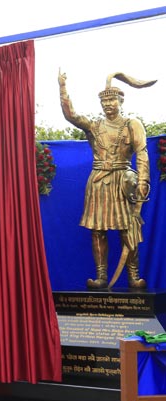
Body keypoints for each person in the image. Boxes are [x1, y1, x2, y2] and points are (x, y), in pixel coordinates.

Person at [59, 71, 154, 288]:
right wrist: (62, 88)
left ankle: (133, 276)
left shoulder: (132, 124)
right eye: (104, 101)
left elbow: (142, 153)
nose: (108, 104)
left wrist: (143, 181)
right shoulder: (94, 126)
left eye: (112, 100)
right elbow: (71, 115)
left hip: (123, 182)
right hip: (98, 182)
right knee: (97, 230)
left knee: (128, 228)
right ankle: (101, 277)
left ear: (121, 101)